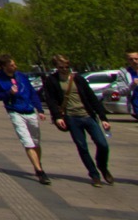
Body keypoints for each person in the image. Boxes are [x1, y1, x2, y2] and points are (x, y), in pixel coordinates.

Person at [43, 55, 113, 186]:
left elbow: (92, 97)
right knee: (82, 146)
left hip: (87, 115)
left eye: (67, 67)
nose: (64, 69)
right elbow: (51, 100)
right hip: (71, 117)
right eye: (61, 67)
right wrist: (57, 117)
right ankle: (94, 175)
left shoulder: (78, 79)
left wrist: (103, 117)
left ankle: (102, 166)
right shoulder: (51, 80)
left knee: (102, 144)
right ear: (56, 67)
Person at [0, 53, 49, 184]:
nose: (15, 66)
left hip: (29, 110)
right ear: (4, 66)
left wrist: (40, 109)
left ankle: (37, 163)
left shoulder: (21, 76)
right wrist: (9, 93)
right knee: (27, 142)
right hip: (15, 111)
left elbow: (32, 92)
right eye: (11, 65)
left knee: (36, 142)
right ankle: (39, 171)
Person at [120, 51, 138, 120]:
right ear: (128, 60)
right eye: (131, 59)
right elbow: (121, 92)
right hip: (135, 106)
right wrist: (132, 85)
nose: (134, 61)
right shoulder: (124, 73)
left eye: (136, 59)